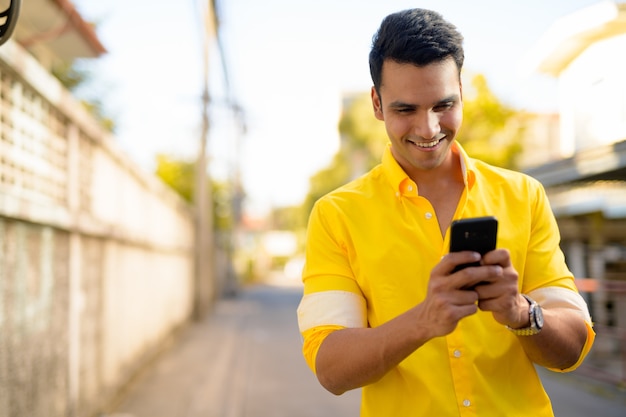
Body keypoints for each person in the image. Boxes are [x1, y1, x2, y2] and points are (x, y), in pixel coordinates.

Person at [296, 8, 595, 417]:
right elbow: (331, 369)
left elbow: (573, 347)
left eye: (443, 104)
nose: (429, 128)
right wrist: (423, 321)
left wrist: (520, 312)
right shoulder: (337, 215)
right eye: (406, 110)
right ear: (377, 103)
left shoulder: (524, 195)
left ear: (461, 93)